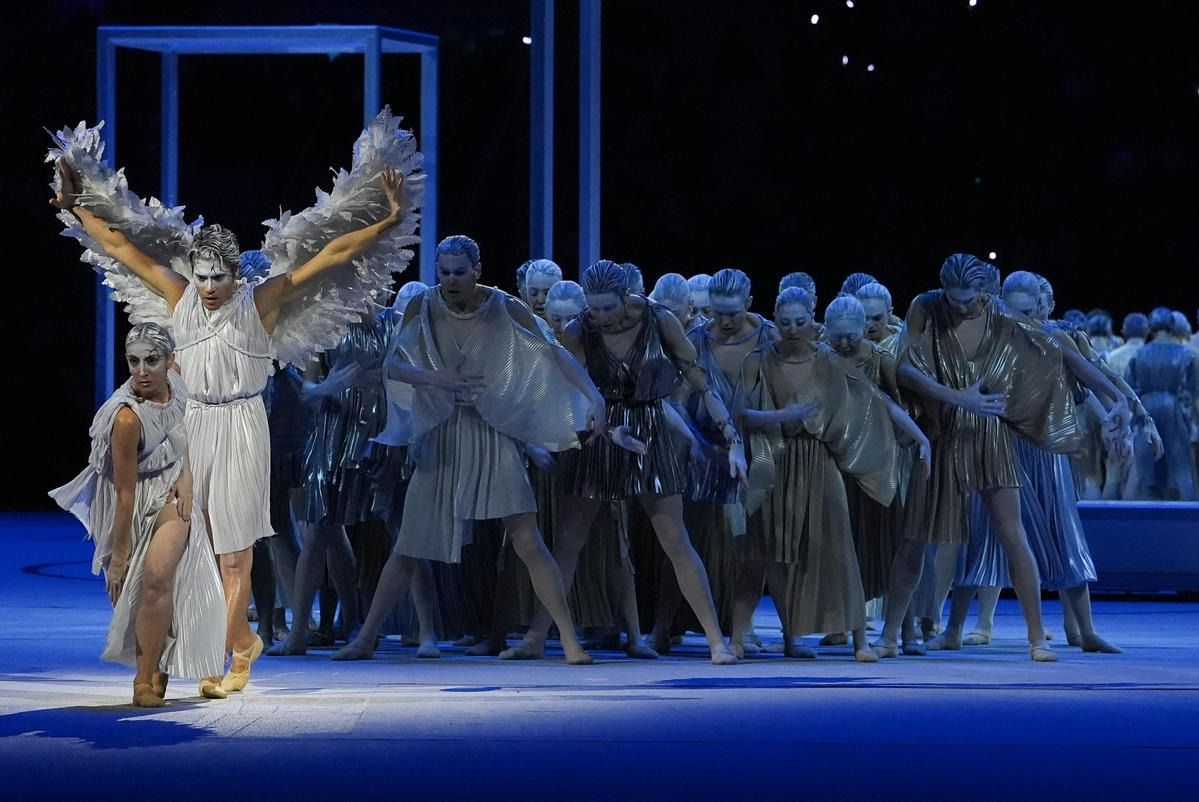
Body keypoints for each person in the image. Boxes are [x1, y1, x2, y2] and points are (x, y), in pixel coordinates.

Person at [50, 112, 417, 692]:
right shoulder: (179, 296)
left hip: (243, 427)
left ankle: (229, 656)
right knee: (179, 550)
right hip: (190, 427)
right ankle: (218, 646)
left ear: (235, 274)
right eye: (202, 276)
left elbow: (332, 254)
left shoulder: (260, 301)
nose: (209, 286)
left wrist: (389, 219)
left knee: (233, 557)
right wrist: (76, 208)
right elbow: (121, 247)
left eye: (219, 276)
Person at [333, 236, 610, 664]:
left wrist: (594, 396)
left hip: (492, 431)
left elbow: (553, 353)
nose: (450, 280)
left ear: (476, 271)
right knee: (409, 544)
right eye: (444, 272)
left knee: (527, 538)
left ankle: (569, 640)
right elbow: (393, 364)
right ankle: (366, 638)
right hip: (442, 433)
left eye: (459, 272)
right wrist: (436, 379)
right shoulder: (422, 304)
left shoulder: (503, 305)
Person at [502, 260, 745, 664]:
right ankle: (537, 636)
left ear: (627, 297)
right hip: (599, 429)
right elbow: (568, 389)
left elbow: (699, 379)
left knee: (675, 539)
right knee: (569, 541)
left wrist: (731, 438)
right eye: (593, 308)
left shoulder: (658, 319)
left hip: (649, 428)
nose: (600, 317)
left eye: (608, 308)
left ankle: (716, 640)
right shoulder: (580, 330)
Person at [873, 254, 1092, 662]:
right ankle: (889, 636)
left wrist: (1121, 402)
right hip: (941, 431)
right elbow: (904, 368)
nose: (960, 308)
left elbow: (1068, 357)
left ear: (985, 292)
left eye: (968, 300)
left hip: (989, 432)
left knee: (1013, 534)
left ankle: (1037, 639)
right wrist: (957, 397)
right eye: (953, 299)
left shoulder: (1001, 314)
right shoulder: (926, 306)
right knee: (915, 538)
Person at [736, 288, 920, 663]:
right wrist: (783, 416)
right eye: (785, 322)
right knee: (775, 552)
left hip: (821, 461)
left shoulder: (829, 360)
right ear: (775, 319)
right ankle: (787, 638)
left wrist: (922, 438)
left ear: (812, 319)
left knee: (840, 550)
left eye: (800, 322)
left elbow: (878, 400)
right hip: (776, 460)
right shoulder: (759, 360)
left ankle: (860, 641)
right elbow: (741, 414)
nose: (792, 329)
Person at [50, 324, 226, 705]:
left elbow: (181, 434)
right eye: (134, 362)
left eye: (151, 361)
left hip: (170, 495)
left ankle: (144, 680)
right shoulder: (127, 419)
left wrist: (186, 477)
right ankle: (152, 667)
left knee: (159, 575)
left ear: (170, 360)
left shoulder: (177, 383)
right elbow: (125, 493)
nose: (142, 371)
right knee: (137, 588)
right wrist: (119, 556)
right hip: (131, 502)